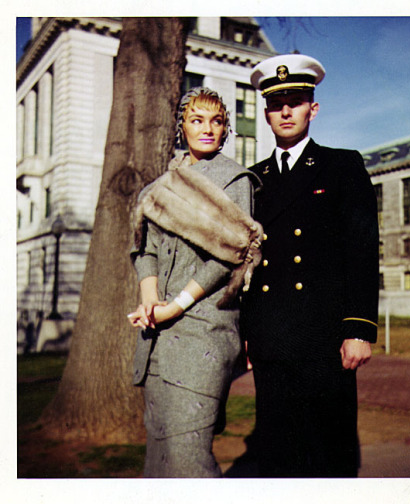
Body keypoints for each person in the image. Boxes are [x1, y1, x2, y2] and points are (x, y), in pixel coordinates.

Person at [240, 54, 379, 478]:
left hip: (324, 337)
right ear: (265, 113)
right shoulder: (253, 178)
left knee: (329, 450)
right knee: (277, 451)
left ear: (312, 109)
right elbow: (247, 262)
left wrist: (358, 328)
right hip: (270, 337)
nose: (286, 111)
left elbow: (362, 248)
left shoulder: (342, 166)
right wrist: (247, 332)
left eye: (296, 101)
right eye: (277, 103)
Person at [127, 87, 262, 478]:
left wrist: (176, 305)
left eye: (216, 121)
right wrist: (151, 300)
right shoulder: (161, 184)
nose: (207, 129)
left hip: (204, 334)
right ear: (181, 126)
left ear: (225, 129)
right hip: (157, 341)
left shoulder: (234, 179)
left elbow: (230, 254)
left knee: (190, 460)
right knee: (159, 460)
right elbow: (144, 248)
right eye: (197, 120)